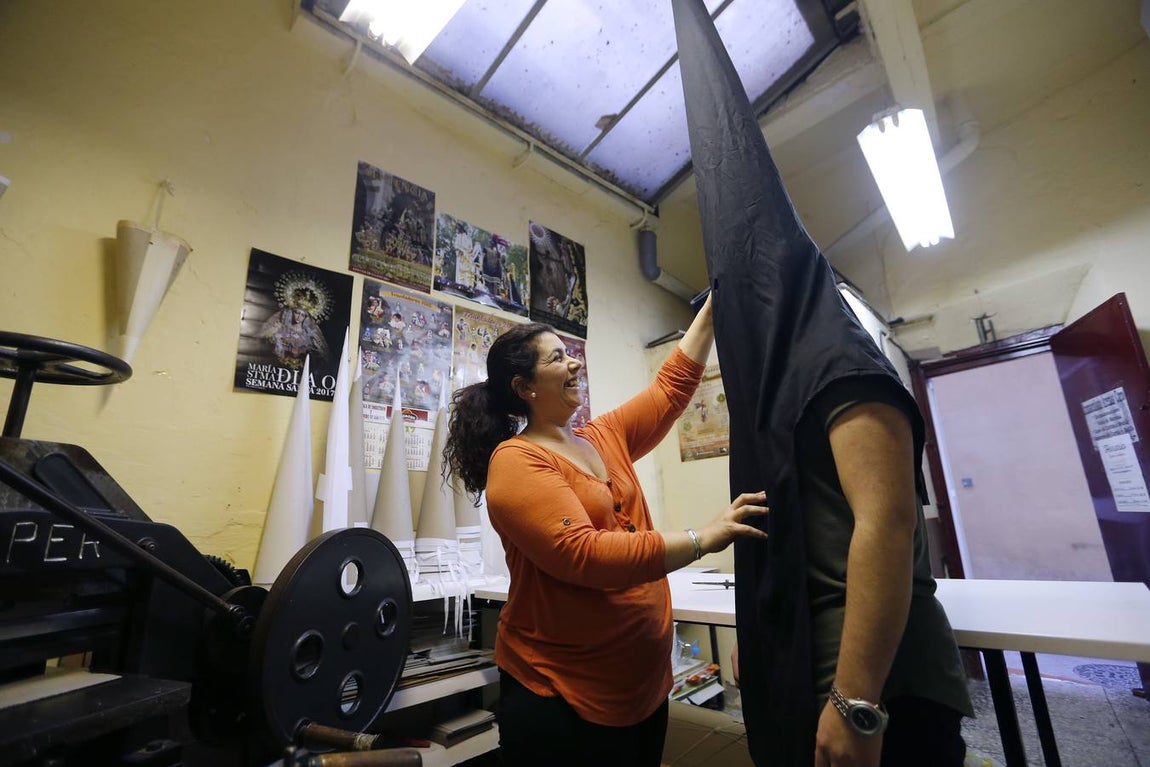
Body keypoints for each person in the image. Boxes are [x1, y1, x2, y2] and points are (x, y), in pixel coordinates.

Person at [669, 0, 973, 764]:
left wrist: (857, 702)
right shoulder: (780, 387)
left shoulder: (840, 363)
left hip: (880, 691)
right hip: (808, 673)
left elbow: (886, 523)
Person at [443, 294, 768, 767]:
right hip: (562, 694)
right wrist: (704, 537)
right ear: (525, 387)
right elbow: (584, 555)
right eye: (557, 357)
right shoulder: (516, 461)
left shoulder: (601, 436)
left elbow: (670, 390)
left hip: (641, 686)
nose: (574, 362)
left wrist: (712, 310)